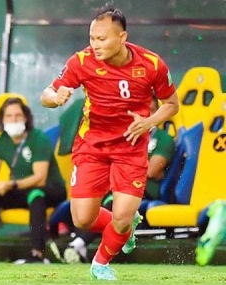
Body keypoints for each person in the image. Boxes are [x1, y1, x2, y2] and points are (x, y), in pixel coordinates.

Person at [40, 2, 179, 280]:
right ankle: (123, 228)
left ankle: (100, 263)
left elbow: (171, 104)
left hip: (131, 148)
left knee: (122, 216)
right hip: (92, 147)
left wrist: (149, 122)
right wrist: (56, 99)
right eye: (92, 38)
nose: (95, 45)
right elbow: (47, 94)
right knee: (82, 218)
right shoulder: (81, 61)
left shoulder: (151, 64)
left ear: (122, 38)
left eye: (101, 39)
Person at [61, 95, 176, 263]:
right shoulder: (122, 136)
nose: (144, 115)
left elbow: (151, 170)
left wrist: (122, 166)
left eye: (150, 111)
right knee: (83, 207)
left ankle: (81, 244)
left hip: (145, 189)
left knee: (111, 201)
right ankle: (73, 238)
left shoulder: (164, 139)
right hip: (114, 184)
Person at [0, 97, 67, 263]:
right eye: (9, 116)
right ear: (2, 119)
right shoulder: (1, 141)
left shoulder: (38, 138)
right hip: (21, 189)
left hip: (50, 189)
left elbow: (40, 178)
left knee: (36, 195)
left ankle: (37, 254)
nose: (14, 119)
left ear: (26, 117)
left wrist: (9, 184)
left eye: (18, 115)